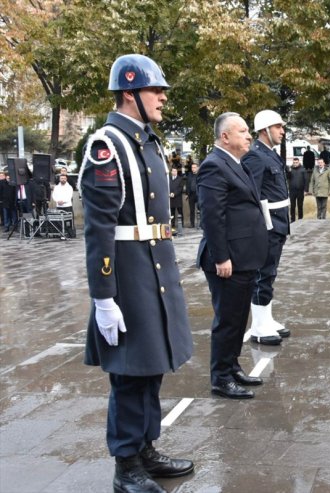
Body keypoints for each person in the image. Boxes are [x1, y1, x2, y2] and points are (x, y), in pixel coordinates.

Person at [79, 53, 193, 493]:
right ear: (130, 93)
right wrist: (103, 297)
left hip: (155, 264)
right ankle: (126, 464)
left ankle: (145, 447)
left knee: (151, 365)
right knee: (129, 373)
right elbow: (99, 229)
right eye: (154, 90)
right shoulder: (107, 144)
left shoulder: (147, 140)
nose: (162, 97)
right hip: (127, 272)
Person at [197, 112, 268, 400]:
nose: (249, 136)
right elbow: (213, 217)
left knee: (239, 318)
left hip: (244, 258)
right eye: (242, 131)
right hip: (228, 261)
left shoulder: (236, 164)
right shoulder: (214, 165)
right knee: (227, 320)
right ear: (225, 136)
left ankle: (232, 366)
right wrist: (221, 257)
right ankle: (220, 378)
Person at [242, 109, 291, 344]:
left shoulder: (270, 154)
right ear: (265, 130)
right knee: (263, 274)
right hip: (268, 225)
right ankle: (259, 326)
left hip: (279, 222)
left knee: (270, 273)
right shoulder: (255, 156)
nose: (282, 131)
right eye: (278, 127)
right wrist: (261, 227)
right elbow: (252, 195)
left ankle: (267, 319)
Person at [287, 156, 308, 222]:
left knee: (300, 205)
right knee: (292, 206)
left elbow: (306, 180)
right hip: (292, 191)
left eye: (296, 162)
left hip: (300, 191)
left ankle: (300, 219)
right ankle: (293, 219)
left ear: (299, 162)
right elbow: (288, 178)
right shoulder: (291, 169)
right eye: (294, 162)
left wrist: (306, 190)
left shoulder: (303, 169)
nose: (295, 164)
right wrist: (289, 172)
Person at [169, 167, 185, 233]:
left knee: (180, 212)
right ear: (171, 172)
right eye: (173, 171)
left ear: (177, 172)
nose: (174, 172)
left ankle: (182, 224)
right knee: (172, 213)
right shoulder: (168, 178)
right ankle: (172, 225)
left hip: (177, 198)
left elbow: (180, 188)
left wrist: (174, 193)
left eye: (175, 171)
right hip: (170, 198)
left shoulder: (180, 179)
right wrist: (169, 193)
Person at [185, 162, 199, 227]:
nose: (193, 169)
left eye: (194, 167)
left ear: (197, 168)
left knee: (201, 209)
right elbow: (187, 185)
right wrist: (187, 193)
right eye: (192, 167)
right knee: (192, 210)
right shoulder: (189, 175)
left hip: (199, 194)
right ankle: (192, 224)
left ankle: (201, 223)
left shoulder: (200, 175)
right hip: (191, 194)